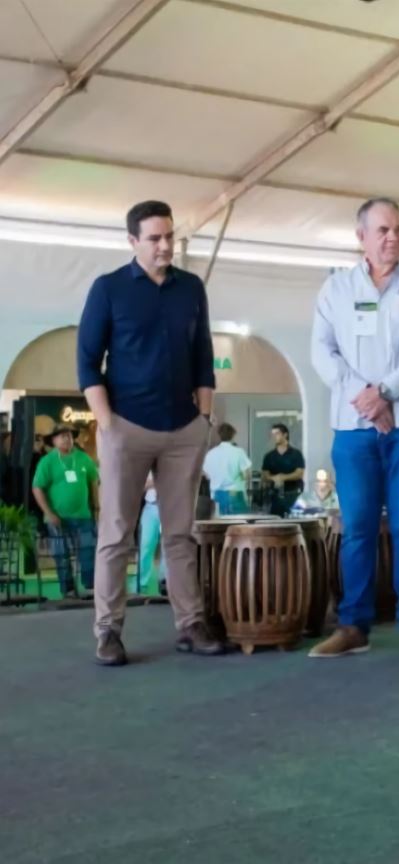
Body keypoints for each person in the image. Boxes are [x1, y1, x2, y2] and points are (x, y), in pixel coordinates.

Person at [77, 199, 223, 665]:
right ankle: (108, 632)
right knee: (117, 534)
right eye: (155, 238)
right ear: (133, 242)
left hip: (184, 430)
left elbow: (203, 355)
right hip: (127, 427)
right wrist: (107, 425)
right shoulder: (109, 289)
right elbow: (86, 362)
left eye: (170, 237)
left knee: (180, 534)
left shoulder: (191, 289)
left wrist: (203, 421)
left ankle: (190, 623)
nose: (165, 246)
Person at [309, 196, 399, 660]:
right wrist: (367, 399)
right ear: (361, 238)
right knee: (357, 530)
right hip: (352, 428)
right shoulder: (335, 290)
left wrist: (385, 391)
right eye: (383, 230)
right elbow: (322, 353)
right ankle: (353, 626)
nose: (393, 238)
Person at [31, 425, 99, 599]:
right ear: (53, 441)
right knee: (61, 555)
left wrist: (97, 507)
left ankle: (90, 587)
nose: (66, 439)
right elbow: (37, 488)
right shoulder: (47, 461)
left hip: (84, 515)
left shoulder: (84, 458)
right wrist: (49, 512)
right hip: (57, 517)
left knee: (88, 551)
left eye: (68, 435)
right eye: (61, 436)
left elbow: (93, 483)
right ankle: (68, 590)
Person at [202, 422, 251, 515]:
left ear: (219, 435)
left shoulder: (211, 453)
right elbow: (247, 474)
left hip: (216, 495)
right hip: (235, 493)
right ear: (233, 435)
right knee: (238, 526)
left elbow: (206, 474)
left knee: (219, 527)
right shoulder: (238, 452)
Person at [261, 424, 304, 517]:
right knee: (275, 523)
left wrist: (283, 477)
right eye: (272, 434)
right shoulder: (269, 456)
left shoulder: (296, 454)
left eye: (277, 433)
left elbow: (299, 473)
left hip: (293, 494)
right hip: (275, 496)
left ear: (285, 435)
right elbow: (265, 475)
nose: (274, 436)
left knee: (294, 520)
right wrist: (274, 478)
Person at [137, 471, 165, 594]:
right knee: (145, 543)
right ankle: (141, 581)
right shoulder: (147, 465)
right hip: (151, 506)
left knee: (168, 546)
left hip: (170, 506)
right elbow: (139, 485)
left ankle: (164, 580)